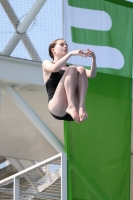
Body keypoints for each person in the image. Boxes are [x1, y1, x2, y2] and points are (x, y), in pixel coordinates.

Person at [42, 38, 96, 123]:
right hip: (58, 107)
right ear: (53, 50)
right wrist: (70, 54)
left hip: (76, 111)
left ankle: (82, 107)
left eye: (66, 45)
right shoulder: (47, 63)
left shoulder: (72, 67)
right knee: (72, 69)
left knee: (81, 69)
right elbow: (55, 68)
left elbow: (92, 74)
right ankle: (71, 106)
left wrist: (93, 59)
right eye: (62, 44)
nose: (65, 46)